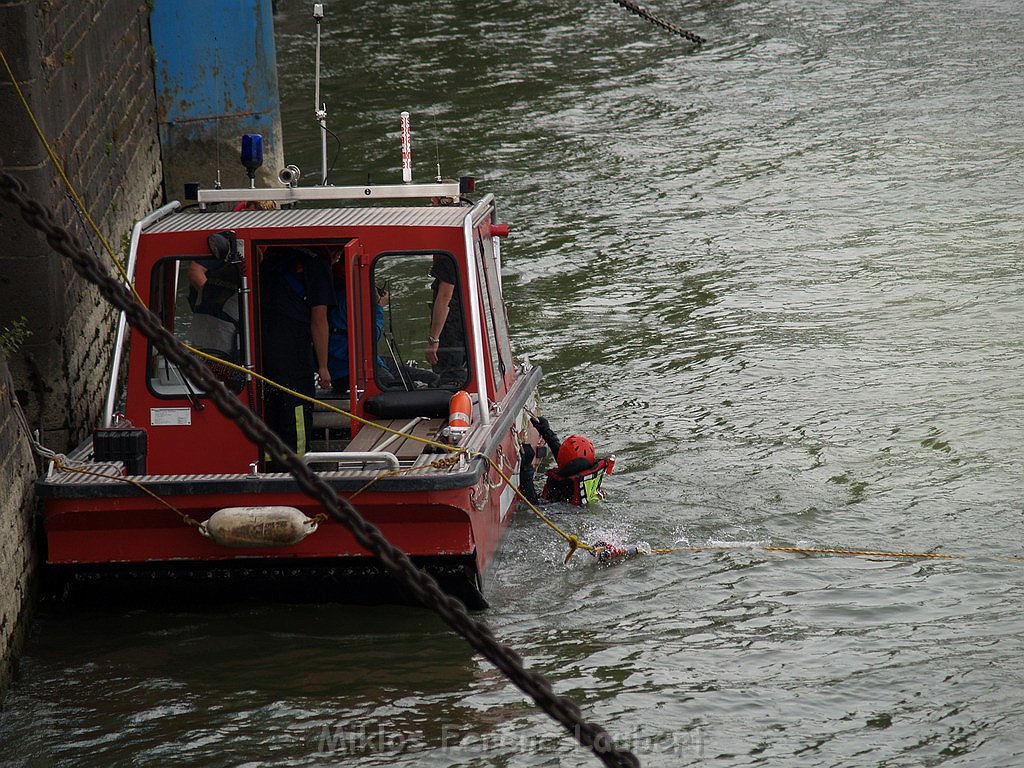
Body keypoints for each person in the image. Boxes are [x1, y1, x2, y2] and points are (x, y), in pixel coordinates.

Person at [259, 245, 336, 462]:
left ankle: (270, 463)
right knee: (298, 408)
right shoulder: (318, 264)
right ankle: (299, 463)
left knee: (271, 406)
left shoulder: (274, 257)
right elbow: (319, 319)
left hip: (261, 347)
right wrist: (323, 367)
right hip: (293, 348)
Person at [519, 416, 615, 506]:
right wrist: (546, 432)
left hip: (565, 512)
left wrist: (526, 469)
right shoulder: (588, 470)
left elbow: (535, 506)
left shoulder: (563, 487)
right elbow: (564, 458)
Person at [425, 253, 467, 388]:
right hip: (466, 326)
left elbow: (444, 298)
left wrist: (433, 340)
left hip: (452, 331)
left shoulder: (446, 257)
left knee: (451, 377)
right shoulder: (465, 252)